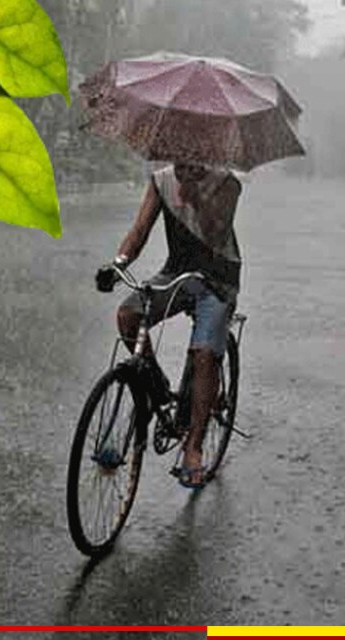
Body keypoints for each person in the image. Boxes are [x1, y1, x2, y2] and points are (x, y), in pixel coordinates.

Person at [95, 162, 242, 489]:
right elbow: (140, 230)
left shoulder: (226, 183)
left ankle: (194, 447)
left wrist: (194, 197)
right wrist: (117, 264)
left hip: (218, 279)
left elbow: (217, 234)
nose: (182, 161)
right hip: (177, 273)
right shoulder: (161, 180)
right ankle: (155, 388)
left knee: (205, 354)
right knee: (128, 315)